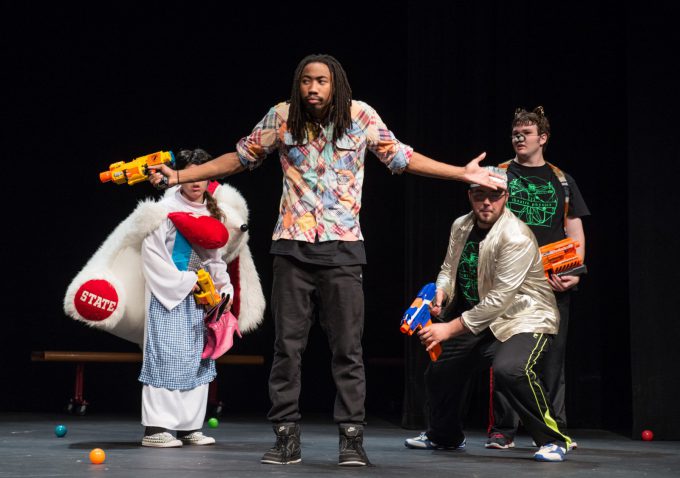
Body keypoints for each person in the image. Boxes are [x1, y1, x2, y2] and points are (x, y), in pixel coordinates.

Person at [148, 53, 504, 466]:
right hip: (292, 248)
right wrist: (178, 177)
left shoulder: (361, 116)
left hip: (343, 249)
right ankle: (285, 437)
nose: (313, 88)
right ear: (297, 85)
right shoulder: (281, 117)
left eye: (321, 81)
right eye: (306, 81)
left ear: (335, 84)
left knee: (348, 350)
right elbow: (238, 157)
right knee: (287, 349)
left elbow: (403, 158)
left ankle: (351, 439)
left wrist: (461, 174)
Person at [403, 167, 573, 462]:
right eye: (479, 194)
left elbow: (499, 299)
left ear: (505, 197)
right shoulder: (461, 226)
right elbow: (448, 269)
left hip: (525, 316)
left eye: (493, 196)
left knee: (511, 369)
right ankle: (445, 436)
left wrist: (448, 328)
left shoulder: (516, 236)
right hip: (485, 320)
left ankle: (553, 439)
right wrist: (442, 293)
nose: (486, 202)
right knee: (442, 367)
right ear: (470, 195)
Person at [485, 107, 590, 450]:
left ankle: (554, 429)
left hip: (551, 280)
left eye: (526, 133)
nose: (519, 138)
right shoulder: (499, 174)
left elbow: (573, 226)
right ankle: (503, 429)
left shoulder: (561, 179)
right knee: (506, 357)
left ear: (542, 138)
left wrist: (574, 271)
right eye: (515, 132)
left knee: (551, 360)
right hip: (509, 280)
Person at [139, 148, 234, 448]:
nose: (196, 182)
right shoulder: (163, 209)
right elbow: (152, 254)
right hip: (171, 294)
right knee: (166, 357)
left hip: (202, 297)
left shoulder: (212, 212)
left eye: (203, 175)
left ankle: (189, 426)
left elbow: (215, 260)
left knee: (197, 359)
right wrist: (183, 281)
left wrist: (224, 289)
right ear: (180, 176)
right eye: (192, 174)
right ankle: (157, 428)